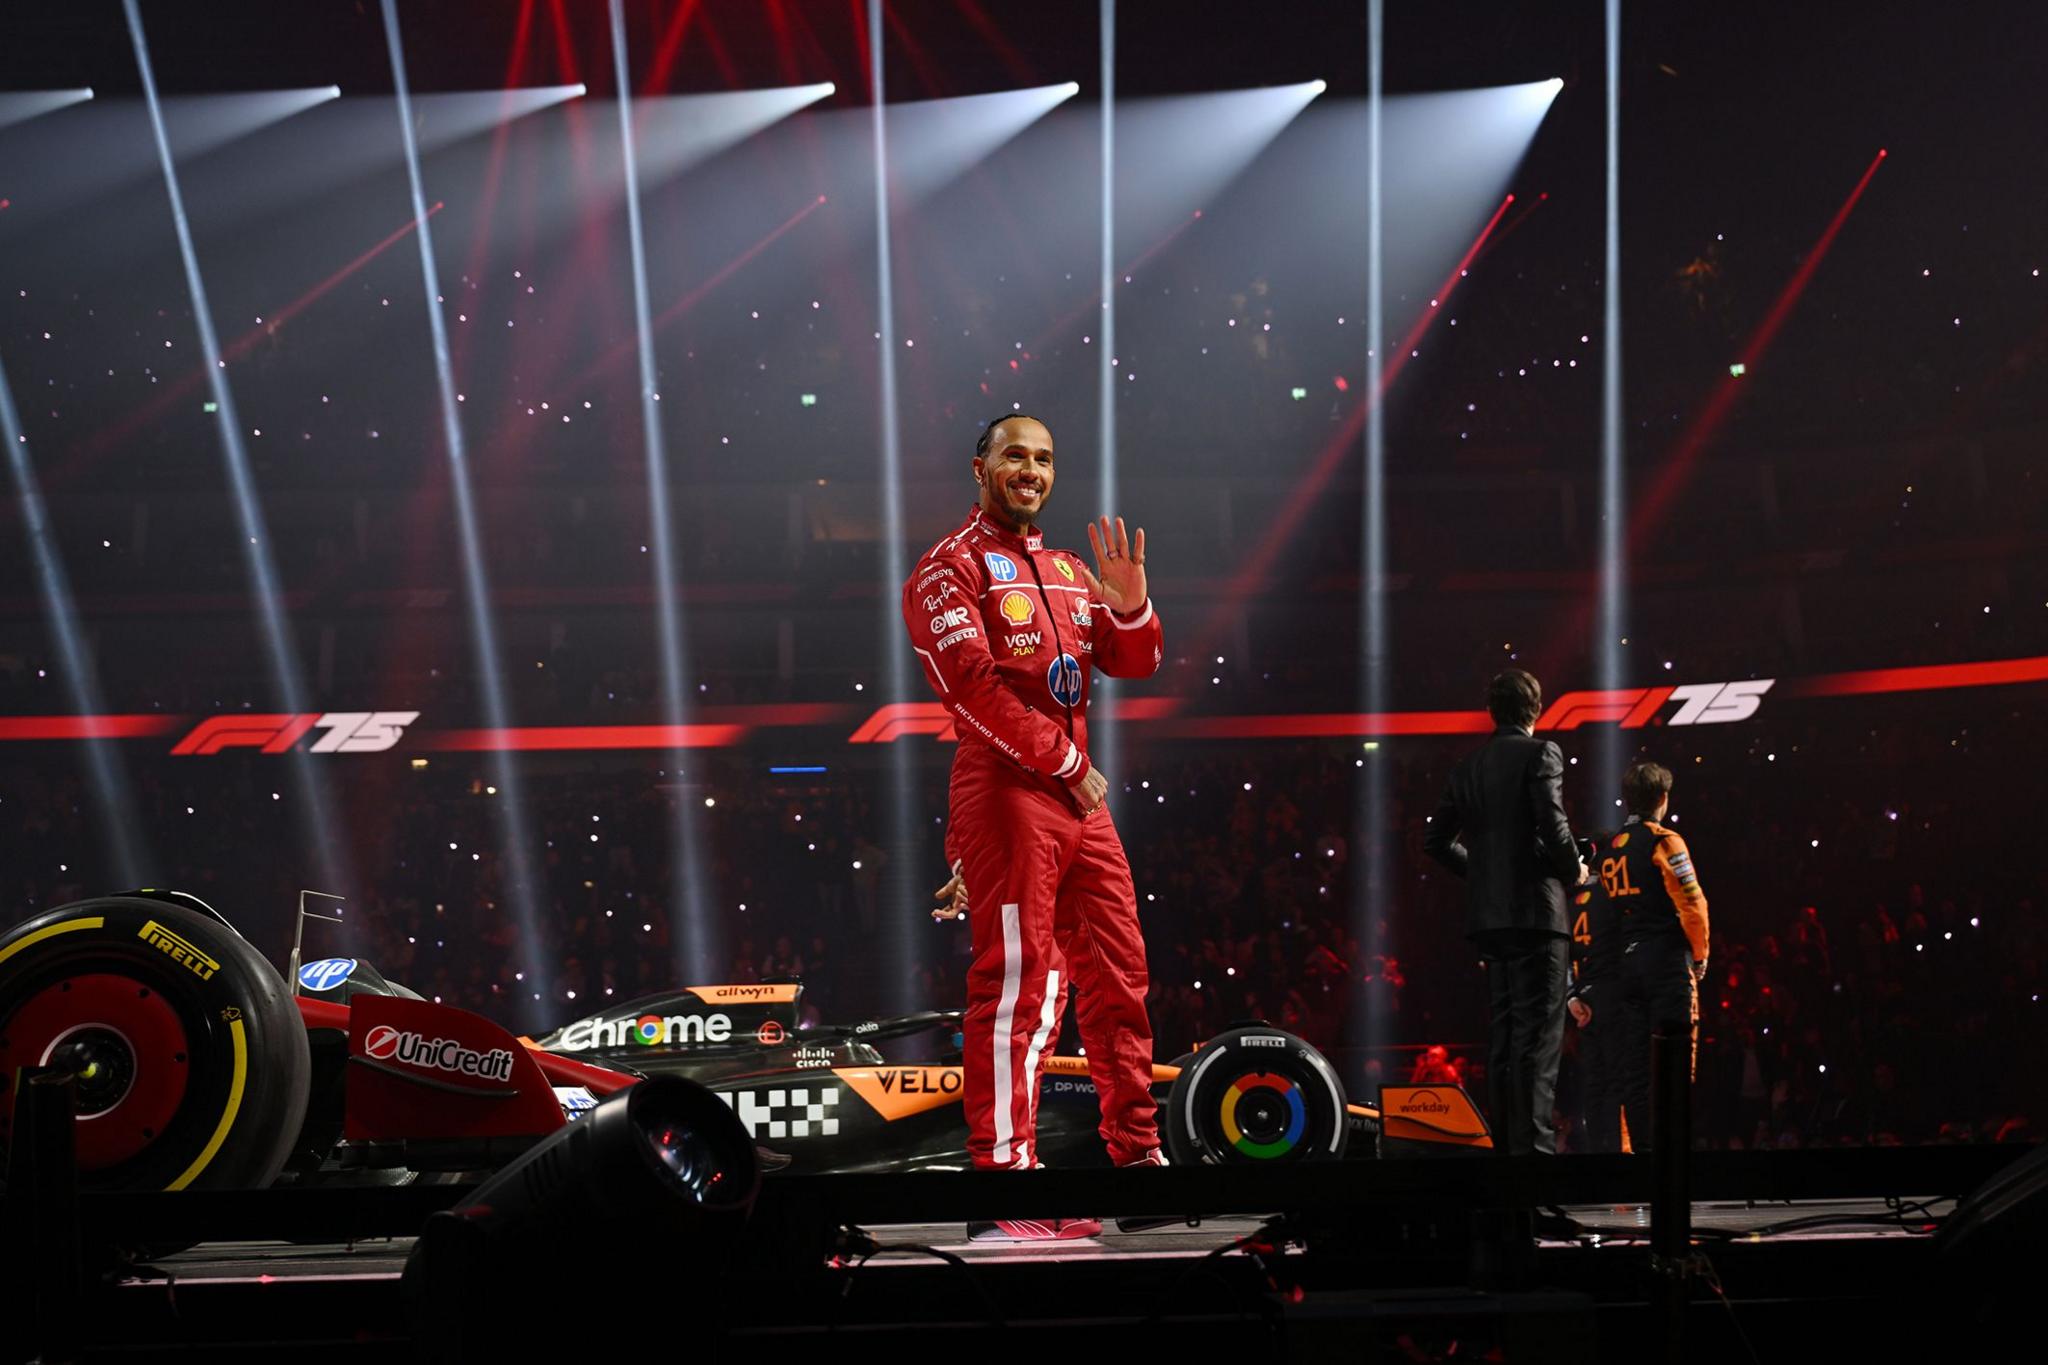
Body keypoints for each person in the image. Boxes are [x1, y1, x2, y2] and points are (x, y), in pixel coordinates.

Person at [904, 413, 1166, 1241]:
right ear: (979, 465)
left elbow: (1132, 664)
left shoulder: (1065, 568)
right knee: (1025, 985)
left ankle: (1139, 1159)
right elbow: (973, 689)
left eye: (1045, 459)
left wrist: (1130, 608)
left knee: (1121, 978)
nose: (1032, 469)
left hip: (1075, 797)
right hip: (1012, 788)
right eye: (1015, 455)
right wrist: (1062, 763)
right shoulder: (945, 570)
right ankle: (1008, 1180)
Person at [1422, 669, 1590, 1155]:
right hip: (1536, 915)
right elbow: (1553, 826)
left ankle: (1505, 1154)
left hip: (1489, 921)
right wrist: (1574, 869)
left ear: (1493, 711)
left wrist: (1482, 875)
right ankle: (1534, 1164)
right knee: (1538, 1041)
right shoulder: (1542, 753)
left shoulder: (1467, 767)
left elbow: (1434, 842)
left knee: (1504, 1039)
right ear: (1535, 709)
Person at [1579, 760, 1709, 1152]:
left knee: (1636, 1070)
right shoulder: (1664, 840)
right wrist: (1700, 954)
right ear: (1663, 798)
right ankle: (1675, 1159)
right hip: (1666, 963)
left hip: (1627, 968)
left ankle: (1643, 1160)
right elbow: (1691, 903)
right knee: (1675, 1059)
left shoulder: (1612, 849)